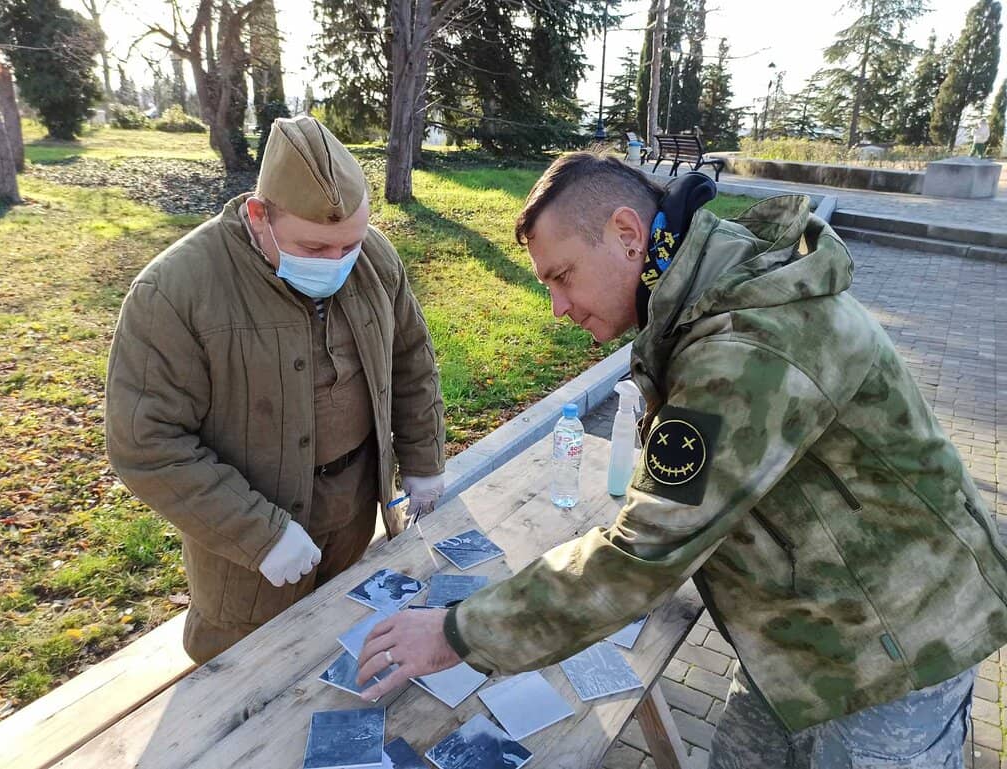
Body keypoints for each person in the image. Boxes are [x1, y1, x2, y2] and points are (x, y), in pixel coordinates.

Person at [355, 153, 1007, 767]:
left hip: (896, 656)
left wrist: (457, 631)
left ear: (627, 233)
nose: (557, 307)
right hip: (803, 644)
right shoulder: (705, 307)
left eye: (561, 276)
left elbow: (643, 554)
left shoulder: (745, 344)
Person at [105, 116, 445, 665]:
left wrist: (424, 460)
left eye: (349, 245)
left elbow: (411, 362)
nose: (337, 264)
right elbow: (147, 443)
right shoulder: (176, 291)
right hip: (247, 557)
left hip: (355, 510)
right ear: (259, 216)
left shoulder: (375, 259)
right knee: (246, 680)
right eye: (314, 247)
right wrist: (260, 535)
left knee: (344, 648)